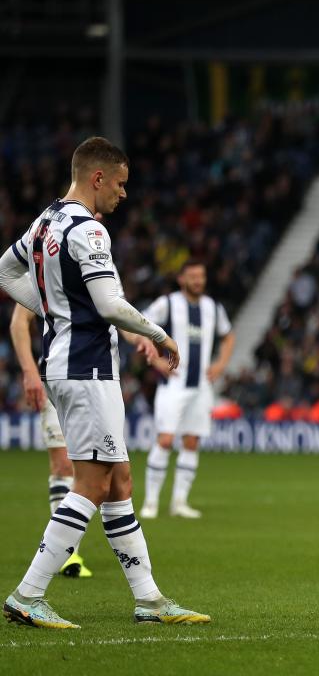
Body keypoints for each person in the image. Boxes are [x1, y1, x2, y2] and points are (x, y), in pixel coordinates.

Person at [0, 136, 210, 629]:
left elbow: (5, 271)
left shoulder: (45, 221)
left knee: (119, 482)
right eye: (119, 184)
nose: (123, 194)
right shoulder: (89, 232)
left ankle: (150, 599)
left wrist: (53, 310)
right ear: (97, 178)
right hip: (86, 366)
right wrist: (160, 336)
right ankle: (28, 595)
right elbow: (112, 306)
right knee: (92, 484)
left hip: (73, 363)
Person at [11, 302, 163, 577]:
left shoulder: (102, 266)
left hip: (100, 378)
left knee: (117, 480)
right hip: (65, 372)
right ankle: (61, 561)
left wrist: (140, 337)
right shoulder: (46, 261)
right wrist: (28, 370)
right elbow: (19, 320)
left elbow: (116, 311)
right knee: (68, 469)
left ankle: (148, 597)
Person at [139, 260, 235, 519]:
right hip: (173, 383)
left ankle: (179, 502)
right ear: (181, 279)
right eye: (192, 276)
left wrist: (221, 364)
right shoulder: (167, 303)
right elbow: (140, 325)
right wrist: (157, 360)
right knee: (166, 439)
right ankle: (150, 502)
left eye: (201, 276)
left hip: (201, 385)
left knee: (191, 441)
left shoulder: (213, 308)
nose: (198, 281)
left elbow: (228, 336)